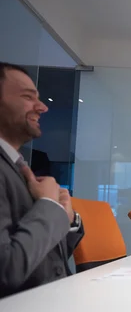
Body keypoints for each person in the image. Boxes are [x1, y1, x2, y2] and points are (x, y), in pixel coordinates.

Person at [0, 62, 84, 298]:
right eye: (28, 97)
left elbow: (46, 257)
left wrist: (67, 218)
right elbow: (6, 271)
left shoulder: (17, 168)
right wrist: (49, 207)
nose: (42, 108)